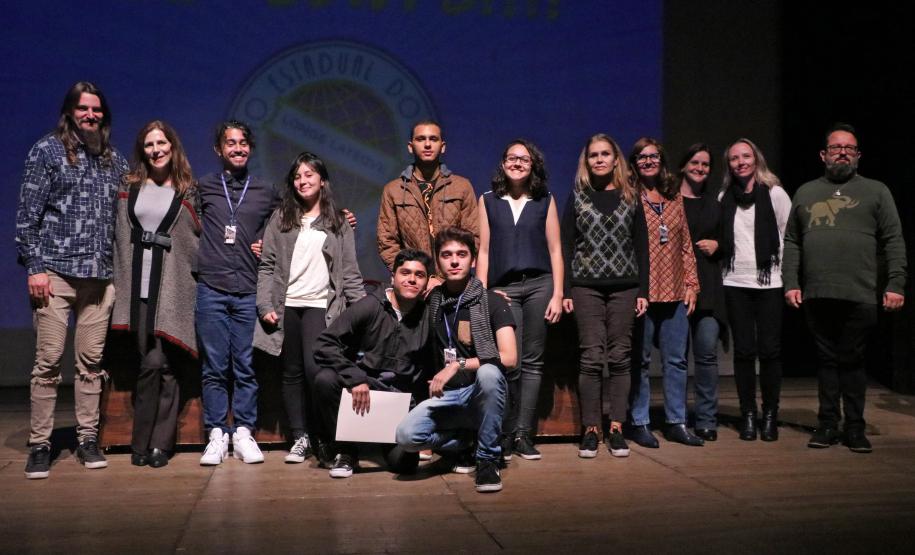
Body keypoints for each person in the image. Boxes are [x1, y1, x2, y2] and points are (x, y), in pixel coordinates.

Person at [17, 82, 128, 479]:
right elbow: (28, 215)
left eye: (97, 110)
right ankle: (40, 444)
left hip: (99, 278)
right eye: (83, 109)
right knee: (47, 363)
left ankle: (87, 438)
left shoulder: (114, 160)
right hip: (56, 275)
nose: (91, 115)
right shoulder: (47, 151)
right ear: (70, 112)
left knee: (91, 364)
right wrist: (35, 267)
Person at [783, 123, 906, 453]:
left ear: (858, 156)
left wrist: (895, 283)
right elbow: (792, 240)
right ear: (823, 155)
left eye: (848, 148)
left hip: (860, 292)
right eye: (836, 148)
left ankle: (854, 427)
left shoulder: (876, 191)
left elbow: (893, 240)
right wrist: (791, 282)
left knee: (852, 360)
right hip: (818, 292)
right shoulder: (806, 192)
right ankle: (826, 425)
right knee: (826, 361)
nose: (842, 153)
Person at [254, 152, 364, 464]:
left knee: (319, 373)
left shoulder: (339, 222)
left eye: (309, 175)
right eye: (297, 177)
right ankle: (300, 437)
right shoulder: (281, 218)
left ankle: (324, 437)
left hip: (321, 307)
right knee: (291, 373)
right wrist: (264, 304)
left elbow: (350, 273)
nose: (302, 181)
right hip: (287, 306)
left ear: (322, 180)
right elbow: (267, 266)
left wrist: (362, 313)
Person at [396, 227, 516, 493]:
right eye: (446, 255)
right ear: (437, 262)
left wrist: (458, 365)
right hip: (449, 398)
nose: (454, 261)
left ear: (473, 260)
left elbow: (509, 358)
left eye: (461, 255)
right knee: (406, 436)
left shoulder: (491, 302)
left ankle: (487, 460)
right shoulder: (433, 302)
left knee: (489, 373)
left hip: (483, 395)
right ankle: (465, 442)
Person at [109, 121, 200, 468]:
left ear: (173, 146)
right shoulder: (129, 185)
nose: (156, 149)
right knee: (151, 365)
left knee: (158, 362)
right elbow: (119, 233)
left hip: (172, 289)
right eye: (149, 144)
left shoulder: (187, 189)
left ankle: (151, 443)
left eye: (162, 143)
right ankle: (151, 442)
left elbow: (194, 238)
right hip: (138, 288)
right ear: (142, 150)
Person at [196, 120, 281, 465]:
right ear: (219, 149)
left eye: (243, 142)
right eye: (230, 143)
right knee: (214, 367)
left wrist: (342, 217)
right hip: (211, 288)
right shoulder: (203, 187)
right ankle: (217, 434)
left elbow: (293, 219)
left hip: (248, 289)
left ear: (251, 148)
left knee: (245, 366)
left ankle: (244, 432)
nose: (237, 148)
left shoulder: (266, 190)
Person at [560, 133, 648, 458]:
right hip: (586, 286)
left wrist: (644, 290)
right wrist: (568, 287)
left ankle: (617, 428)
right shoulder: (578, 195)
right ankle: (591, 428)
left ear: (615, 159)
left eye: (605, 154)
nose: (599, 159)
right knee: (592, 357)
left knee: (620, 357)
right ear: (587, 161)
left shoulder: (630, 195)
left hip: (625, 286)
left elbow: (641, 244)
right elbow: (566, 243)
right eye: (593, 155)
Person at [312, 248, 435, 478]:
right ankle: (345, 451)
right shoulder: (370, 306)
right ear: (393, 277)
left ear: (427, 282)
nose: (411, 279)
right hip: (363, 391)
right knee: (325, 380)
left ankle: (390, 444)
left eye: (419, 275)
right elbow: (324, 344)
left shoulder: (428, 314)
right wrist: (354, 377)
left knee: (405, 466)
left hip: (397, 404)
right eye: (405, 272)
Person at [477, 139, 563, 461]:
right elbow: (483, 251)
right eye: (511, 158)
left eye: (524, 159)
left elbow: (555, 249)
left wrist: (557, 292)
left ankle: (524, 434)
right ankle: (506, 431)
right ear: (503, 163)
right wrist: (481, 295)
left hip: (540, 286)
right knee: (509, 363)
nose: (517, 162)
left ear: (533, 165)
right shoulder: (487, 200)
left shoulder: (545, 199)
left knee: (533, 361)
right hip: (503, 289)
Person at [628, 137, 703, 448]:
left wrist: (692, 284)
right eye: (642, 157)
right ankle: (639, 422)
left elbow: (686, 245)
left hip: (674, 291)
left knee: (676, 361)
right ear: (633, 163)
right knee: (640, 361)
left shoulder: (674, 197)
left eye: (654, 156)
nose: (648, 161)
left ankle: (676, 421)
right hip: (643, 292)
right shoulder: (629, 197)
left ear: (662, 160)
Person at [718, 138, 791, 442]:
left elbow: (788, 235)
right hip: (735, 283)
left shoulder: (775, 194)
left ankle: (770, 414)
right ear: (729, 165)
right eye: (734, 158)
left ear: (756, 159)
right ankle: (748, 414)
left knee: (770, 351)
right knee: (745, 351)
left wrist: (786, 278)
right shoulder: (724, 197)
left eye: (746, 156)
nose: (741, 162)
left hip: (769, 283)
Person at [377, 120, 479, 290]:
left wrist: (445, 277)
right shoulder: (393, 190)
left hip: (455, 282)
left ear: (443, 146)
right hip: (413, 285)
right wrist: (413, 274)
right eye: (421, 139)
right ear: (410, 146)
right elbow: (386, 241)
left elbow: (473, 236)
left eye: (433, 139)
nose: (427, 144)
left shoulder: (461, 186)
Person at [677, 144, 728, 441]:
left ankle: (706, 418)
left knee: (706, 355)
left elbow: (729, 241)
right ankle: (678, 416)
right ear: (683, 166)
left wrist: (718, 246)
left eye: (706, 164)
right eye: (695, 162)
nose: (700, 168)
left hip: (708, 290)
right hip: (677, 289)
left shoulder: (714, 204)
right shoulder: (670, 202)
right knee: (677, 358)